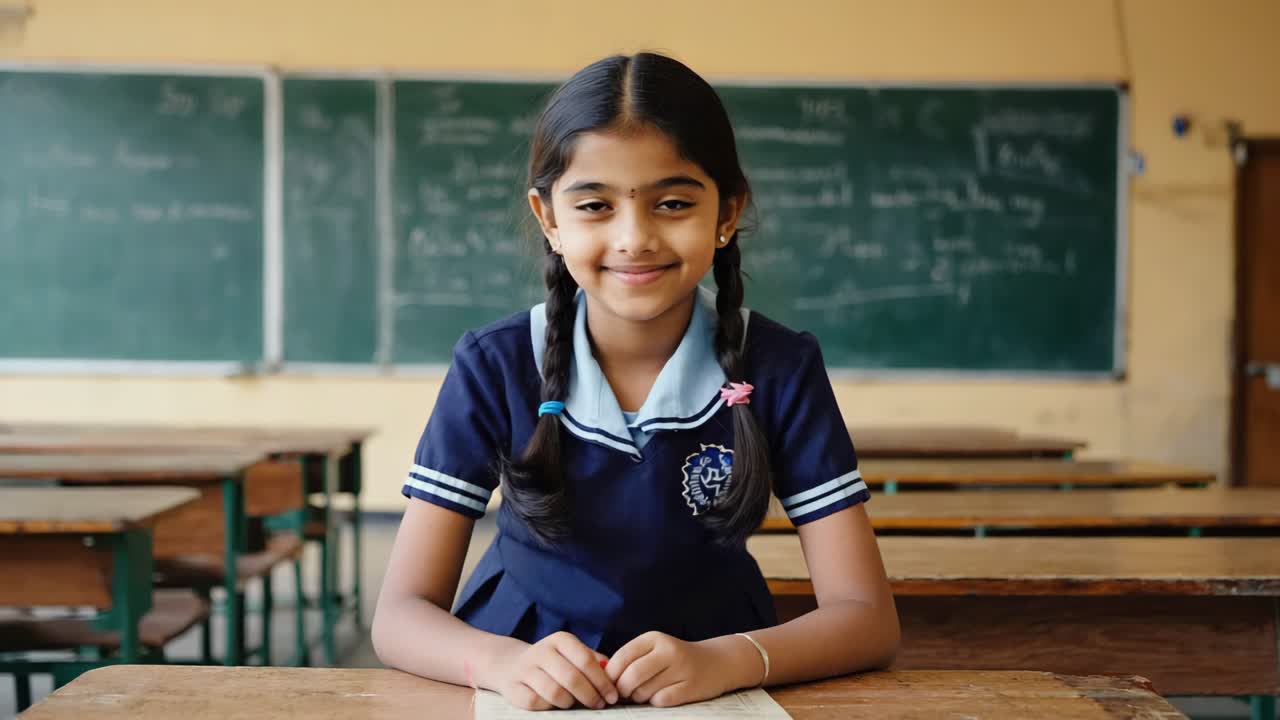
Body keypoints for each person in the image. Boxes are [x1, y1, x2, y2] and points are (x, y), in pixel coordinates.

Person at [373, 52, 898, 711]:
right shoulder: (497, 362)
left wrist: (732, 658)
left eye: (673, 203)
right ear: (549, 219)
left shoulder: (778, 366)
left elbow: (867, 618)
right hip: (520, 687)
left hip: (717, 690)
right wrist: (500, 661)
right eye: (594, 205)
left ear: (727, 213)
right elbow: (399, 615)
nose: (634, 238)